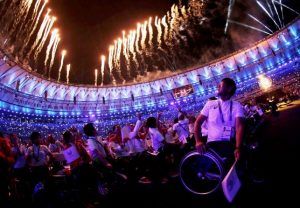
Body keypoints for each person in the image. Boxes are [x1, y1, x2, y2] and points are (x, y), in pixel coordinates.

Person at [194, 78, 245, 163]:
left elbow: (239, 127)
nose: (217, 87)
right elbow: (198, 122)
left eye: (220, 85)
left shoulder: (236, 105)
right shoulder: (210, 104)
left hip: (229, 143)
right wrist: (198, 141)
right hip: (212, 145)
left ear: (229, 89)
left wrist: (238, 147)